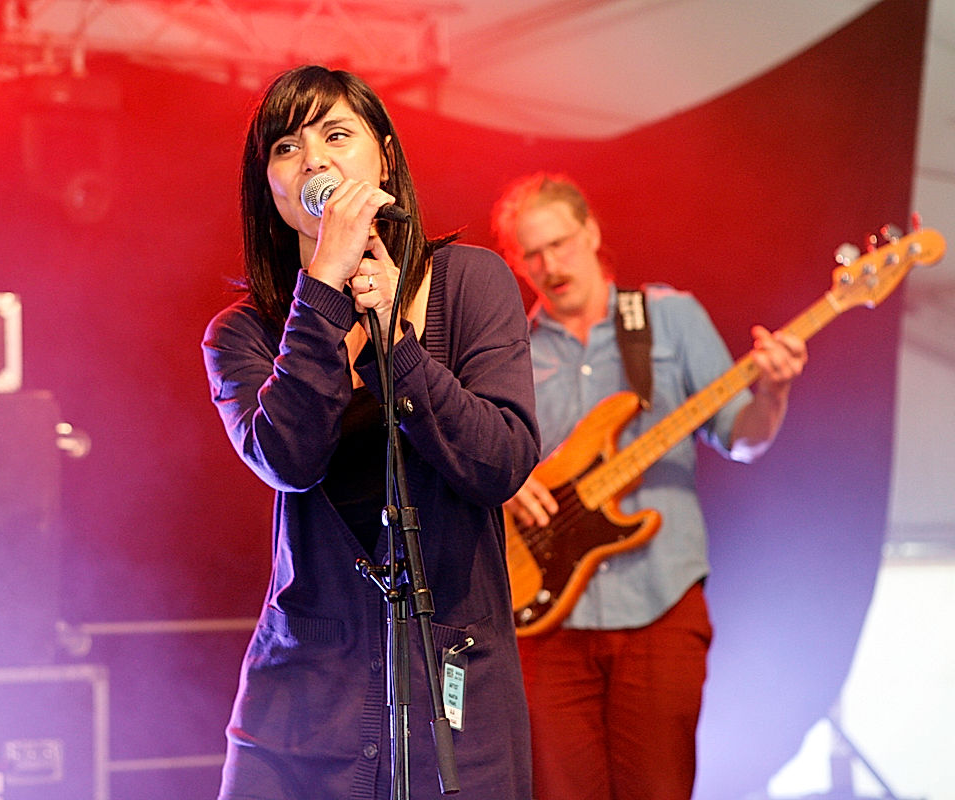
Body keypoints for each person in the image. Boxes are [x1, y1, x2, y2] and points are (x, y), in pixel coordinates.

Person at [201, 65, 541, 800]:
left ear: (383, 156)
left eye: (336, 135)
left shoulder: (471, 282)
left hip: (454, 696)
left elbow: (500, 461)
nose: (314, 159)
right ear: (270, 186)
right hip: (301, 710)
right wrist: (321, 289)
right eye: (286, 148)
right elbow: (288, 456)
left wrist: (400, 344)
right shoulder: (241, 336)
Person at [490, 172, 808, 800]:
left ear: (591, 232)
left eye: (560, 243)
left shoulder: (669, 316)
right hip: (545, 618)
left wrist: (773, 392)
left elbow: (738, 436)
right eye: (531, 253)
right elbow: (481, 460)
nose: (550, 265)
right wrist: (503, 486)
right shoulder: (507, 350)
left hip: (661, 600)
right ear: (513, 263)